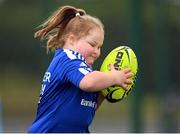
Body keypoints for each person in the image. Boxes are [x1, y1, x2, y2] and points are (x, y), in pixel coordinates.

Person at [28, 5, 133, 133]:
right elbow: (89, 83)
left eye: (99, 47)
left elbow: (87, 107)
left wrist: (105, 92)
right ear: (72, 40)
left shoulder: (83, 69)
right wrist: (113, 77)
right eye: (92, 45)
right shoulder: (67, 59)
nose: (96, 52)